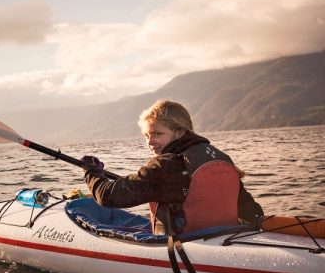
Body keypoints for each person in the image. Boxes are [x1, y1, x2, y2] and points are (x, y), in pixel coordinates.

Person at [81, 99, 263, 235]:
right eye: (146, 136)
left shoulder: (165, 165)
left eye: (157, 134)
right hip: (225, 237)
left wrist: (91, 171)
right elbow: (251, 211)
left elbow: (106, 196)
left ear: (181, 130)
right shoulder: (220, 157)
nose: (150, 142)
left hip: (181, 246)